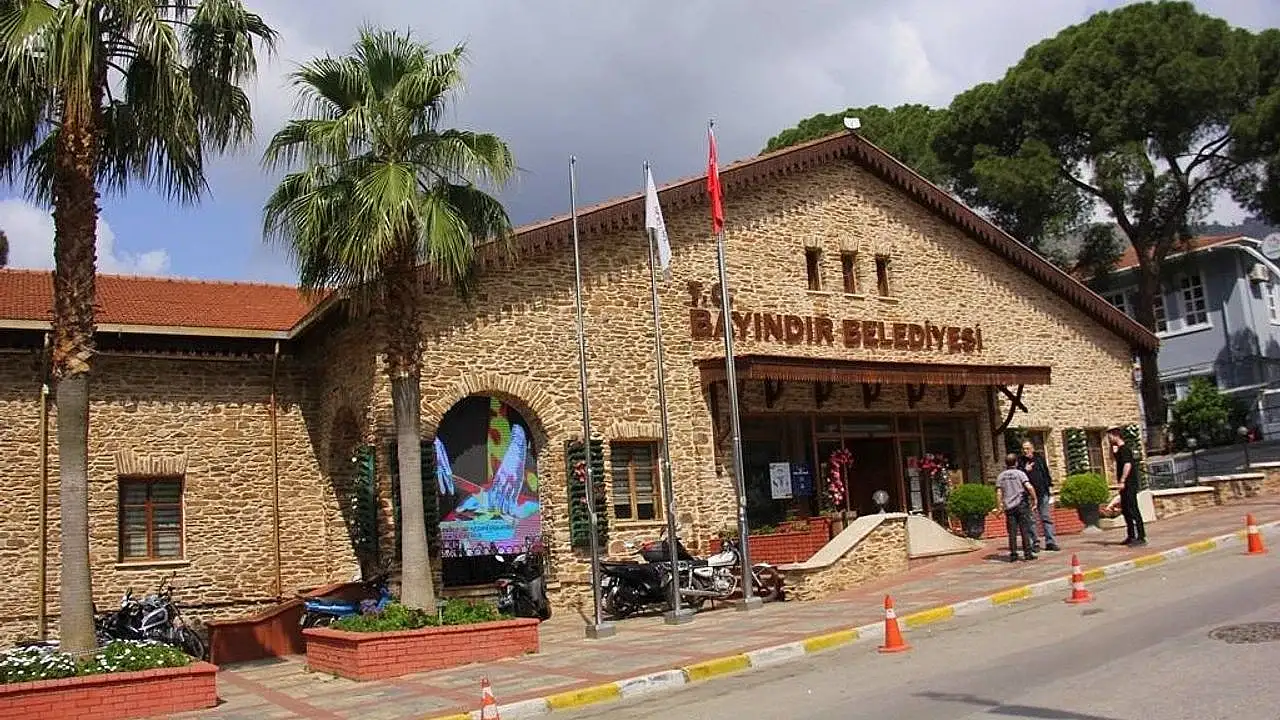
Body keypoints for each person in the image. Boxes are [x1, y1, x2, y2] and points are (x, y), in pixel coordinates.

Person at [1106, 427, 1146, 546]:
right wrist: (1112, 449)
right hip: (1124, 485)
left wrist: (1123, 480)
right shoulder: (1119, 450)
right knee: (1126, 510)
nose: (1109, 438)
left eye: (1110, 436)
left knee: (1133, 509)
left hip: (1129, 484)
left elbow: (1127, 465)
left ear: (1115, 435)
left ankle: (1141, 537)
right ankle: (1131, 536)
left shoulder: (1125, 449)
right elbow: (1112, 459)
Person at [995, 453, 1038, 562]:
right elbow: (1029, 486)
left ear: (1006, 463)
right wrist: (1034, 499)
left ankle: (1013, 554)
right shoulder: (1020, 474)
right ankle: (1027, 553)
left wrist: (999, 506)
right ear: (1016, 463)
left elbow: (999, 492)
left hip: (1009, 507)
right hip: (1021, 504)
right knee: (1024, 530)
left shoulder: (1001, 476)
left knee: (1012, 532)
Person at [1020, 440, 1059, 552]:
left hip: (1042, 492)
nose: (1025, 451)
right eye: (1024, 449)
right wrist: (1025, 470)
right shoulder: (1021, 461)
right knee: (1031, 519)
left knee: (1046, 517)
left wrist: (1049, 486)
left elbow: (1045, 472)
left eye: (1027, 448)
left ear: (1032, 448)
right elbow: (1019, 476)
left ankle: (1050, 542)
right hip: (1029, 495)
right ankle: (1034, 543)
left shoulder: (1039, 459)